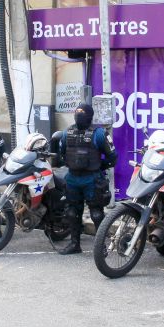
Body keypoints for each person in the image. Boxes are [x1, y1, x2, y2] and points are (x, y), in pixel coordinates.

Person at [57, 103, 117, 255]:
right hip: (72, 178)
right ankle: (74, 244)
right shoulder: (67, 132)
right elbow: (62, 153)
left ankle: (100, 247)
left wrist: (98, 167)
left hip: (92, 179)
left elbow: (112, 157)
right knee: (71, 212)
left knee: (96, 213)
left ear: (90, 116)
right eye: (77, 113)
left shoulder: (99, 134)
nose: (79, 116)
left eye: (82, 113)